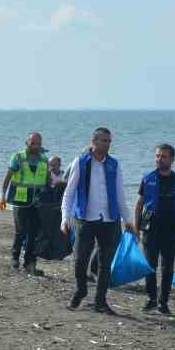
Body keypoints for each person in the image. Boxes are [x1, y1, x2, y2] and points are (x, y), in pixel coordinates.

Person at [60, 127, 134, 315]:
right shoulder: (81, 162)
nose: (107, 144)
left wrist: (128, 220)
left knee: (105, 263)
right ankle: (81, 290)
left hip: (110, 220)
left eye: (109, 141)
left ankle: (100, 301)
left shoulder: (114, 165)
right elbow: (69, 193)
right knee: (80, 258)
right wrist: (64, 218)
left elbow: (120, 195)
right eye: (104, 141)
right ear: (94, 141)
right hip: (85, 218)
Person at [134, 143, 175, 315]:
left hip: (171, 230)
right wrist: (136, 228)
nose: (159, 159)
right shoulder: (148, 178)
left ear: (172, 159)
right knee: (150, 265)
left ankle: (163, 302)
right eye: (157, 156)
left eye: (163, 156)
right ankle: (150, 299)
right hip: (150, 229)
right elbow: (139, 204)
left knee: (168, 268)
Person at [0, 131, 50, 276]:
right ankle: (15, 257)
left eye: (38, 143)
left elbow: (47, 181)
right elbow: (7, 177)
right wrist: (2, 195)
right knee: (21, 231)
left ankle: (29, 263)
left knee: (34, 233)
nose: (36, 145)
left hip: (37, 202)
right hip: (20, 201)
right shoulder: (18, 157)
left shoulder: (44, 160)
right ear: (27, 143)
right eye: (33, 143)